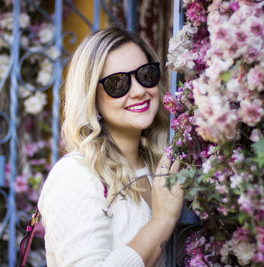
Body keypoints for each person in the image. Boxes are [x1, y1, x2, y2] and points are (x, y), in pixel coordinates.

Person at [37, 27, 184, 267]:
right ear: (91, 97)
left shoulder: (157, 167)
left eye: (146, 74)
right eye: (117, 83)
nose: (139, 91)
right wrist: (162, 220)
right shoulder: (76, 175)